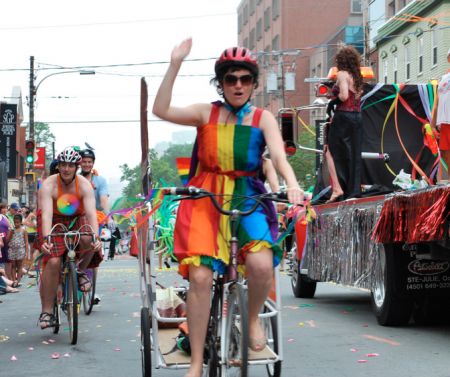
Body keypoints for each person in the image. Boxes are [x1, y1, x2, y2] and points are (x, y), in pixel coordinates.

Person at [152, 38, 303, 377]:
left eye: (244, 79)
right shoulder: (206, 113)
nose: (238, 85)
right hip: (205, 197)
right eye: (230, 79)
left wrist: (291, 185)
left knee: (262, 265)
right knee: (202, 277)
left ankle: (251, 323)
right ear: (220, 83)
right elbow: (160, 110)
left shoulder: (263, 119)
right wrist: (175, 64)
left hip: (248, 195)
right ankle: (195, 363)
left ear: (253, 83)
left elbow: (278, 156)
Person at [36, 147, 103, 329]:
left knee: (89, 239)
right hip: (54, 220)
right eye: (63, 165)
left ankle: (80, 270)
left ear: (76, 167)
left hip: (77, 218)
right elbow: (47, 215)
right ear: (58, 166)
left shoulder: (84, 185)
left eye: (70, 166)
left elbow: (91, 214)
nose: (66, 169)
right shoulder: (49, 184)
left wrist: (96, 237)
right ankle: (47, 311)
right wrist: (46, 240)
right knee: (54, 262)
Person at [326, 45, 363, 201]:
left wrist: (332, 98)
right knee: (354, 154)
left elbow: (343, 96)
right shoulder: (357, 76)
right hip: (357, 116)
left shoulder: (342, 74)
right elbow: (357, 96)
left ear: (340, 61)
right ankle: (353, 192)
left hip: (343, 116)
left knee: (331, 151)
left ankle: (338, 188)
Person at [431, 48, 450, 175]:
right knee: (445, 154)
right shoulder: (443, 79)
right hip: (444, 123)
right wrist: (432, 125)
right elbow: (436, 104)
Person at [79, 148, 110, 215]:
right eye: (84, 162)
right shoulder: (75, 179)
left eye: (89, 162)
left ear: (93, 163)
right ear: (80, 163)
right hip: (78, 217)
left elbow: (104, 201)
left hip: (98, 216)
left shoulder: (101, 180)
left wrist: (109, 217)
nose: (87, 164)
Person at [6, 214, 28, 286]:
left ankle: (17, 281)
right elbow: (7, 240)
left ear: (21, 222)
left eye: (18, 222)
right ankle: (13, 280)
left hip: (20, 250)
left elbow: (26, 242)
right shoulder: (11, 230)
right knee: (13, 265)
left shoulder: (24, 230)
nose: (16, 224)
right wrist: (11, 233)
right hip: (12, 250)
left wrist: (27, 252)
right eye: (15, 222)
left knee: (19, 266)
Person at [0, 203, 12, 280]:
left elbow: (10, 227)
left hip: (6, 241)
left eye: (6, 208)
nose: (5, 210)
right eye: (3, 208)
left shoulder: (4, 217)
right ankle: (6, 281)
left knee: (8, 261)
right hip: (0, 242)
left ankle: (9, 279)